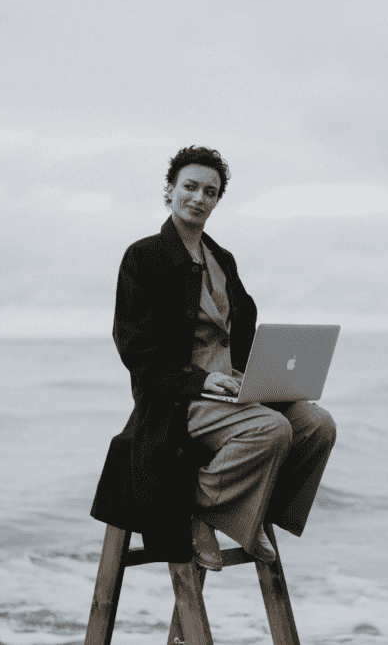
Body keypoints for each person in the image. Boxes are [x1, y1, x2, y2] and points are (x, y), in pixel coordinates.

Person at [90, 146, 336, 568]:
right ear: (169, 190)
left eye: (210, 191)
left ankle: (251, 515)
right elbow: (135, 349)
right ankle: (202, 510)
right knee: (272, 429)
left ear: (218, 200)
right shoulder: (143, 257)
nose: (199, 198)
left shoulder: (222, 259)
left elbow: (241, 333)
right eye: (190, 187)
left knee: (317, 425)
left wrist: (270, 377)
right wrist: (200, 381)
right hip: (176, 400)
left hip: (229, 387)